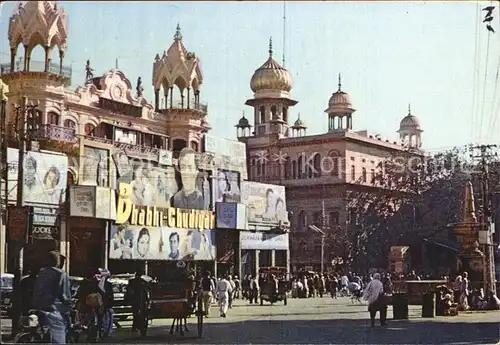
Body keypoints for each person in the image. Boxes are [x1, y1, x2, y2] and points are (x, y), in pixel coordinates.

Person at [32, 251, 72, 344]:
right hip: (53, 307)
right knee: (60, 332)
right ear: (57, 261)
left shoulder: (41, 272)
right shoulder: (60, 273)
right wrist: (69, 303)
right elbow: (63, 294)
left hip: (38, 305)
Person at [125, 269, 150, 333]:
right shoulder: (143, 282)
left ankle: (135, 327)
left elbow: (128, 291)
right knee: (141, 314)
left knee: (135, 314)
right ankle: (138, 326)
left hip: (135, 301)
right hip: (141, 301)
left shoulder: (132, 281)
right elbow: (147, 291)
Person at [95, 269, 114, 338]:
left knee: (101, 319)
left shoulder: (97, 284)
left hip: (100, 305)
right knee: (107, 319)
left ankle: (102, 331)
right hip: (105, 305)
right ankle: (106, 331)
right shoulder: (108, 285)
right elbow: (111, 296)